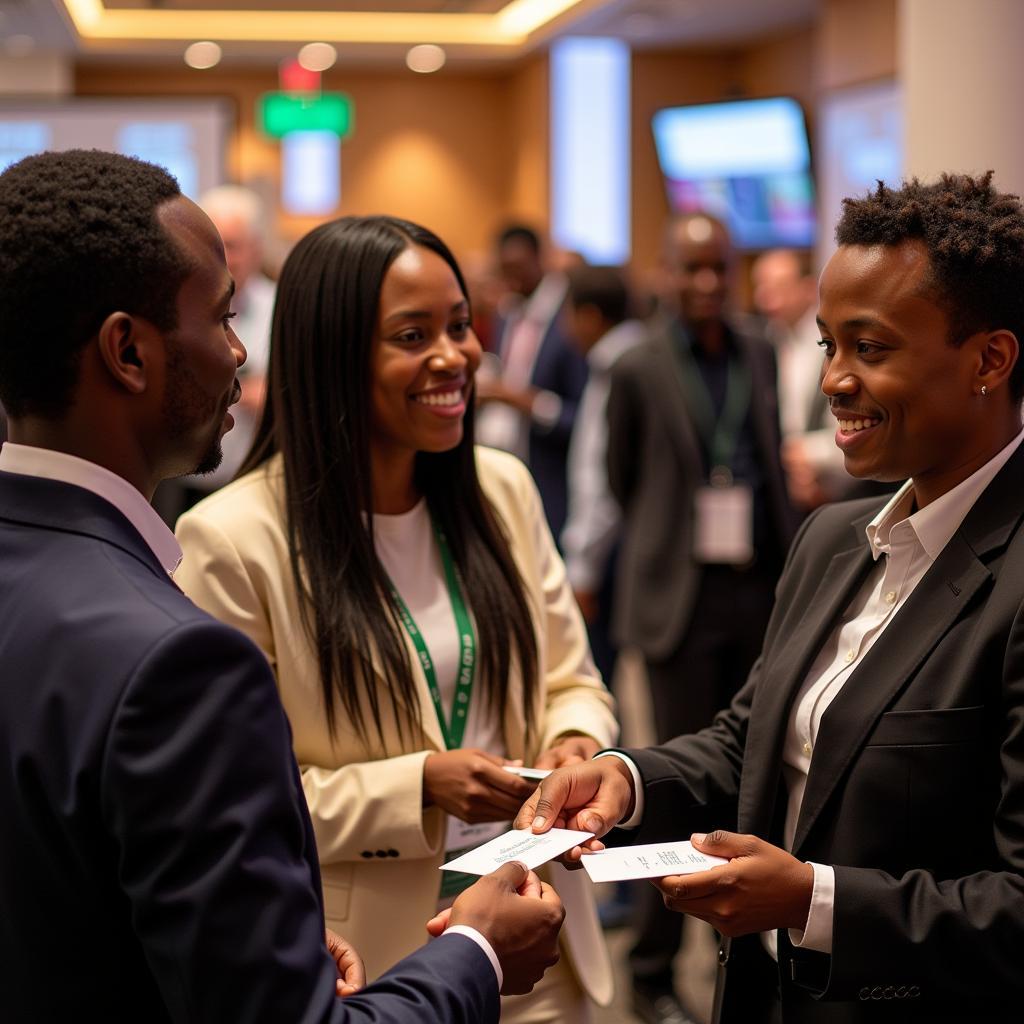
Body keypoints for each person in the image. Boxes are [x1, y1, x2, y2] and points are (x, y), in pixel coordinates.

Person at [0, 148, 565, 1023]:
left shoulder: (499, 491)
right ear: (128, 351)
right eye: (223, 319)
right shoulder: (175, 655)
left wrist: (259, 932)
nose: (236, 353)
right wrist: (476, 952)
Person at [518, 171, 1024, 1023]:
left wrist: (812, 903)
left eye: (872, 348)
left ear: (988, 360)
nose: (833, 379)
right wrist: (627, 778)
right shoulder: (833, 538)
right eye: (828, 344)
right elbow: (750, 740)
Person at [174, 215, 618, 1023]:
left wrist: (575, 745)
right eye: (412, 335)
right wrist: (419, 786)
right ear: (334, 356)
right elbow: (236, 804)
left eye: (459, 325)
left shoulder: (501, 490)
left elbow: (570, 677)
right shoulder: (233, 541)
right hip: (379, 965)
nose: (454, 356)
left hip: (537, 930)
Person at [606, 212, 796, 1024]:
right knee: (677, 788)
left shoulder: (758, 350)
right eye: (691, 269)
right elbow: (622, 476)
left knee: (754, 788)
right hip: (676, 600)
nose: (708, 284)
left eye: (719, 268)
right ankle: (651, 970)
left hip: (755, 588)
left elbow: (768, 454)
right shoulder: (637, 366)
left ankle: (740, 958)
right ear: (665, 272)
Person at [474, 224, 588, 542]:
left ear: (540, 260)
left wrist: (521, 400)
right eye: (504, 270)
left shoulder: (569, 318)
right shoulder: (507, 314)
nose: (511, 279)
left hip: (552, 479)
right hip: (503, 472)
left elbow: (584, 416)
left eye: (518, 268)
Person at [561, 264, 646, 686]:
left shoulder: (620, 367)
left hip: (611, 548)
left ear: (590, 315)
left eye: (569, 314)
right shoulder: (646, 354)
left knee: (596, 680)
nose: (567, 327)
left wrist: (584, 566)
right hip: (631, 541)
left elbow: (601, 476)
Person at [751, 248, 851, 511]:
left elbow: (850, 428)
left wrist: (801, 454)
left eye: (779, 286)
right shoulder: (758, 344)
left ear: (807, 288)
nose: (765, 298)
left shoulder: (833, 345)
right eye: (761, 286)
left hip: (833, 489)